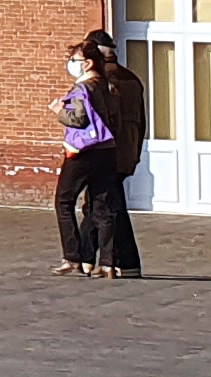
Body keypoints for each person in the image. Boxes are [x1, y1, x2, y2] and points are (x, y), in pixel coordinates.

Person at [50, 32, 147, 280]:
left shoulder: (99, 82)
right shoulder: (132, 79)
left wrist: (60, 111)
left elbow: (84, 119)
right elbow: (140, 121)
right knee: (102, 206)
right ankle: (101, 261)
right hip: (119, 151)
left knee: (100, 207)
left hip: (96, 149)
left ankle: (99, 259)